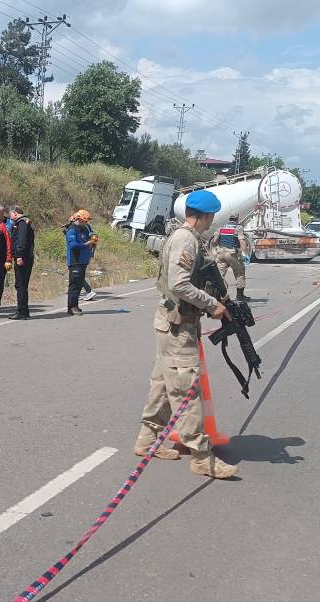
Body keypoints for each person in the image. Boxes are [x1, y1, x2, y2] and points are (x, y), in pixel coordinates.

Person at [133, 189, 238, 479]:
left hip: (175, 323)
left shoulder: (187, 237)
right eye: (212, 215)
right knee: (187, 390)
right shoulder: (185, 239)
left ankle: (147, 439)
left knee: (163, 384)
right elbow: (179, 284)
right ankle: (202, 457)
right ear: (206, 215)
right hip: (177, 325)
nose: (213, 220)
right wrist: (211, 304)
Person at [210, 213, 250, 301]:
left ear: (229, 218)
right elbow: (242, 242)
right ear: (237, 218)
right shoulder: (238, 228)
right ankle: (240, 296)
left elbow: (214, 241)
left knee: (219, 275)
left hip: (220, 254)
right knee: (240, 273)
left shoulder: (222, 227)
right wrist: (246, 254)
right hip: (232, 254)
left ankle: (217, 296)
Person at [65, 210, 97, 315]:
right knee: (74, 285)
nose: (85, 223)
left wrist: (93, 241)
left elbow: (90, 237)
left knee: (79, 285)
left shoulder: (84, 229)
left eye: (86, 222)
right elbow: (73, 245)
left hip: (83, 261)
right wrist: (86, 244)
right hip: (75, 261)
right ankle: (71, 307)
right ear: (78, 219)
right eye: (83, 221)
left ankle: (76, 305)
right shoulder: (72, 230)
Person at [9, 207, 35, 320]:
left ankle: (22, 312)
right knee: (21, 285)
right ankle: (24, 311)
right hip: (24, 257)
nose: (10, 217)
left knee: (21, 285)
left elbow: (22, 241)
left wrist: (19, 255)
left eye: (10, 214)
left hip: (23, 258)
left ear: (15, 213)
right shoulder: (23, 223)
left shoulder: (22, 223)